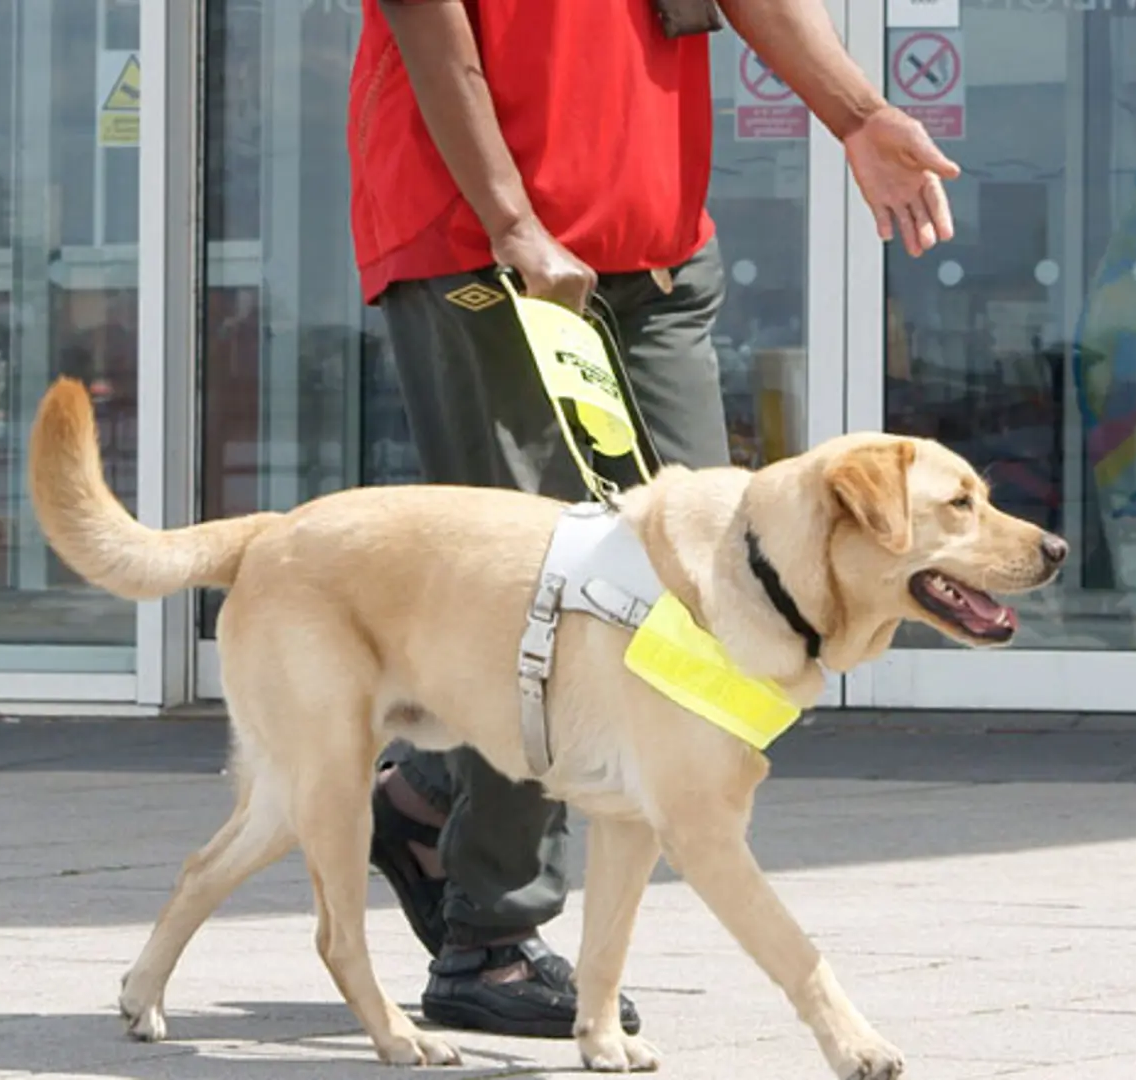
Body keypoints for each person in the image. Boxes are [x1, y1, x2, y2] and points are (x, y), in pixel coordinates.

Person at [345, 0, 960, 1040]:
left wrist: (857, 116)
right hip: (482, 246)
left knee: (699, 586)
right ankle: (489, 937)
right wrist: (513, 226)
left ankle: (426, 800)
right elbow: (429, 28)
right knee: (537, 587)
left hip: (656, 245)